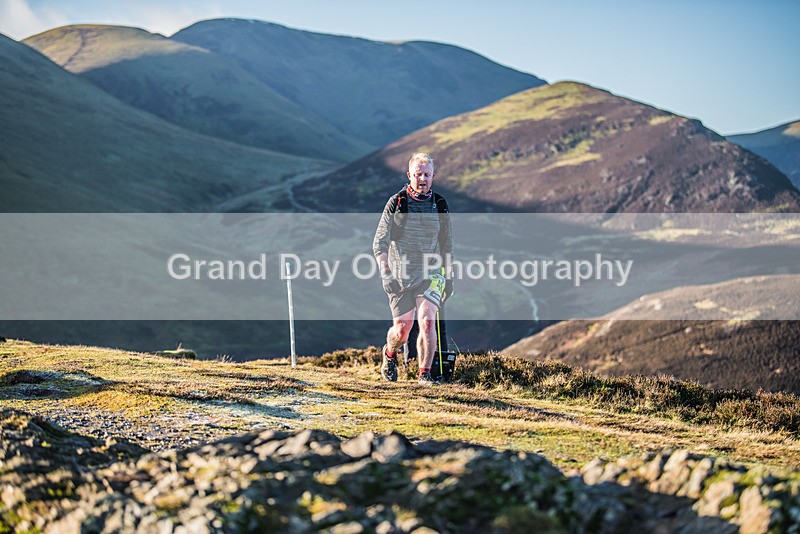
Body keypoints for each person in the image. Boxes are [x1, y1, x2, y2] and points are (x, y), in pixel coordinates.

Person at [373, 152, 453, 386]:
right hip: (400, 275)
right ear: (409, 176)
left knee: (427, 321)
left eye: (427, 175)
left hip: (431, 273)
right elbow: (380, 242)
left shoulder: (439, 204)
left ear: (433, 177)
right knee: (402, 330)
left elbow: (447, 244)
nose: (422, 179)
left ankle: (424, 375)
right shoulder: (397, 203)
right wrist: (385, 272)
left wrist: (449, 277)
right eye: (418, 174)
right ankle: (389, 354)